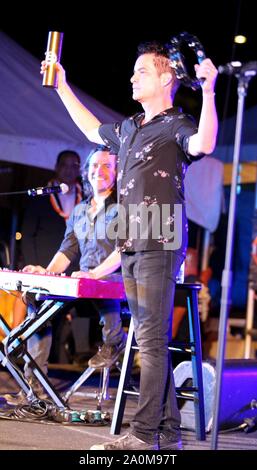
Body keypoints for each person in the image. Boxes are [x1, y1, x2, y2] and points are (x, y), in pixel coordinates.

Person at [41, 40, 218, 450]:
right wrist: (64, 85)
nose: (132, 77)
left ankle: (142, 436)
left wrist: (208, 91)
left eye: (141, 71)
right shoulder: (130, 127)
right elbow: (89, 129)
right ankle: (168, 433)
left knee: (151, 341)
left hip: (160, 238)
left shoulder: (176, 125)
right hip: (132, 240)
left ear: (165, 78)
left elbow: (204, 144)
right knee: (149, 339)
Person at [5, 145, 126, 403]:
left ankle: (115, 341)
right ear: (87, 171)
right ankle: (34, 388)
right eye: (94, 166)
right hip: (85, 276)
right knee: (38, 300)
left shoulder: (124, 207)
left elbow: (124, 251)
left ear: (117, 172)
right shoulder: (81, 210)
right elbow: (68, 249)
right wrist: (46, 273)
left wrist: (95, 274)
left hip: (114, 275)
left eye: (107, 165)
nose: (99, 171)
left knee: (106, 285)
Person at [12, 149, 83, 328]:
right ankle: (14, 347)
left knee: (58, 321)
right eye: (64, 165)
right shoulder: (42, 196)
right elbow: (27, 235)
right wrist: (36, 267)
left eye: (74, 165)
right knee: (33, 317)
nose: (69, 170)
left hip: (70, 268)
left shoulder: (86, 198)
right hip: (41, 266)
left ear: (80, 170)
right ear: (56, 168)